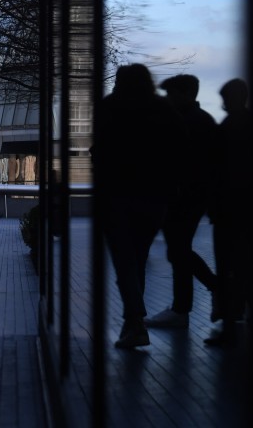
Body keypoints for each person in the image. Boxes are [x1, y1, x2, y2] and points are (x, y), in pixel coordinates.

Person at [92, 64, 188, 349]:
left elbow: (100, 149)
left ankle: (134, 320)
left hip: (117, 194)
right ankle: (134, 321)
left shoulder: (110, 107)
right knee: (138, 257)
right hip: (154, 196)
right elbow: (181, 148)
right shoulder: (163, 109)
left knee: (125, 262)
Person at [145, 74, 219, 329]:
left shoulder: (189, 123)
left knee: (178, 250)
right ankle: (186, 305)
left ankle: (192, 302)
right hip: (190, 196)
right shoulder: (201, 121)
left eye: (172, 94)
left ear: (186, 94)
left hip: (184, 196)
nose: (169, 99)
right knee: (179, 250)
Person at [204, 78, 253, 347]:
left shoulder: (228, 126)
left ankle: (230, 323)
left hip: (228, 208)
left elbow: (216, 169)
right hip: (248, 207)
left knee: (227, 266)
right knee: (246, 264)